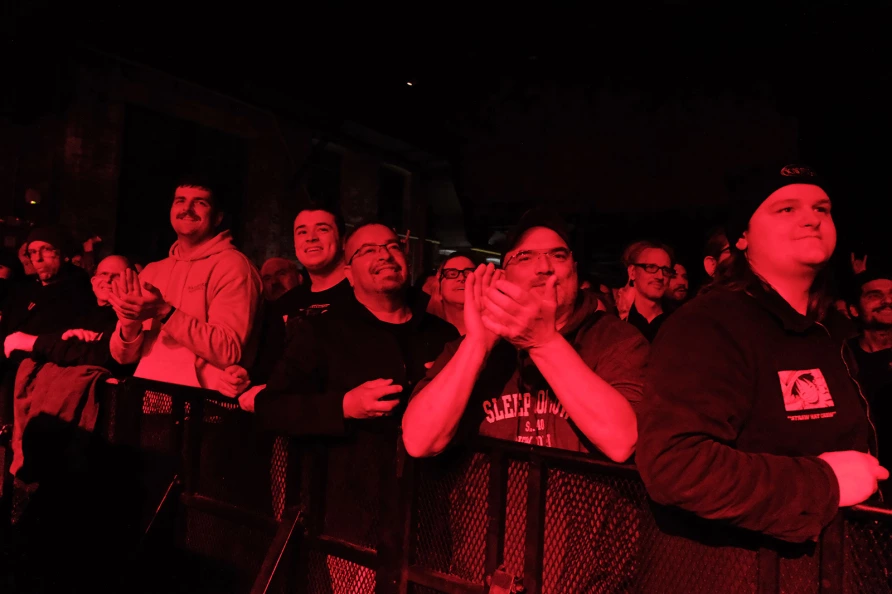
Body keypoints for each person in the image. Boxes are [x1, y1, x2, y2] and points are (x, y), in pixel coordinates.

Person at [636, 164, 886, 552]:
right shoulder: (709, 324)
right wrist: (823, 482)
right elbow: (675, 464)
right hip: (739, 571)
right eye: (786, 209)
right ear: (742, 238)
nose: (811, 218)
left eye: (822, 208)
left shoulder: (829, 328)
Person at [402, 208, 646, 460]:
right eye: (525, 257)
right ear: (503, 273)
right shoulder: (474, 342)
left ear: (574, 269)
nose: (544, 267)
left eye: (558, 255)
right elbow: (419, 441)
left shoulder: (614, 339)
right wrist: (477, 346)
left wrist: (543, 342)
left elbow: (622, 442)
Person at [107, 175, 262, 388]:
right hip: (148, 398)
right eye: (180, 200)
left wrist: (165, 312)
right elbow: (123, 358)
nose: (187, 209)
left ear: (217, 217)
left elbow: (228, 351)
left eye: (200, 203)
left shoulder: (234, 266)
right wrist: (128, 325)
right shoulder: (154, 271)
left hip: (201, 407)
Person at [846, 267, 892, 479]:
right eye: (875, 296)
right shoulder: (840, 356)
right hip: (864, 474)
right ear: (854, 310)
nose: (887, 301)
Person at [625, 240, 674, 342]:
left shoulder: (678, 321)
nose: (660, 276)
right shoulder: (616, 320)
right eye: (651, 267)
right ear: (632, 272)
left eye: (665, 270)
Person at [427, 251, 479, 335]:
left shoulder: (495, 333)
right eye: (452, 274)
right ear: (439, 287)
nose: (462, 278)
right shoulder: (425, 333)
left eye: (469, 274)